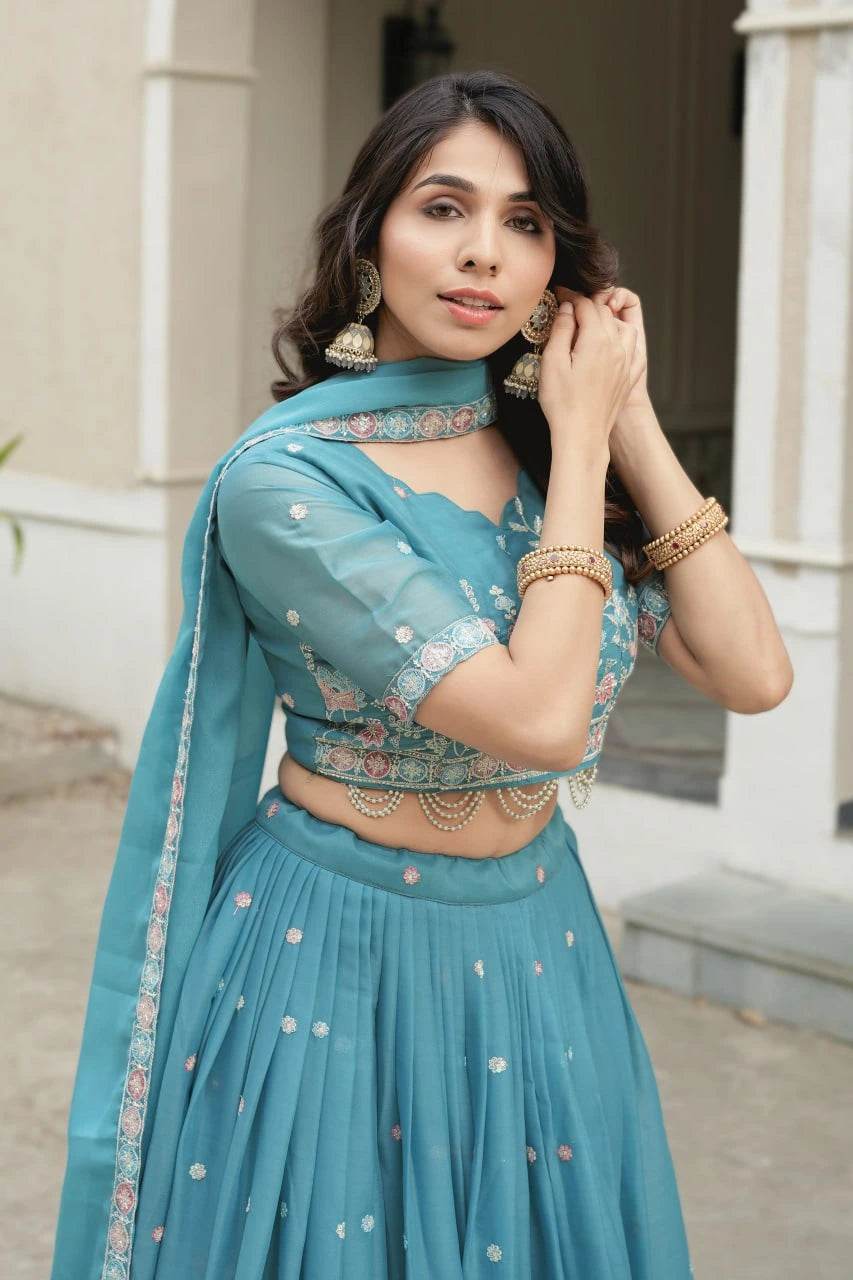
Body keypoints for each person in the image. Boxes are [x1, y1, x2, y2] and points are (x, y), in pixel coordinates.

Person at [51, 69, 792, 1279]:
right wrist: (582, 444)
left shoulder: (551, 438)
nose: (483, 254)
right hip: (332, 957)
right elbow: (539, 721)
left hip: (537, 946)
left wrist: (626, 416)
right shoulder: (289, 484)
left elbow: (754, 673)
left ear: (559, 266)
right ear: (369, 239)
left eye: (523, 222)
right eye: (442, 208)